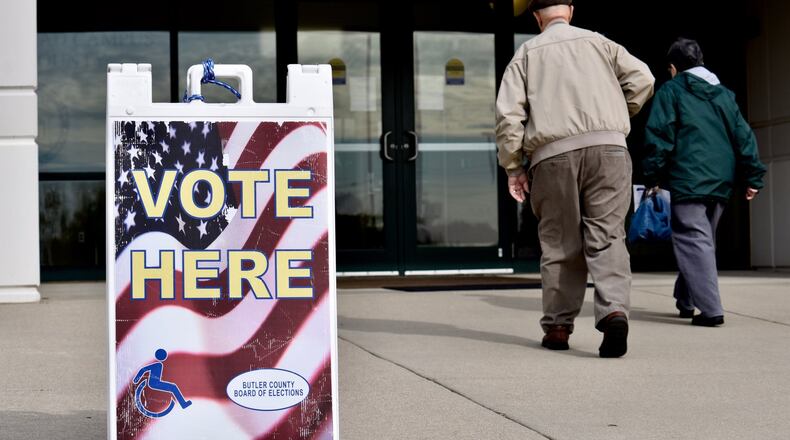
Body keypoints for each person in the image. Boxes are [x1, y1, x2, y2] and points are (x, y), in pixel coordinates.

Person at [495, 0, 654, 358]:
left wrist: (513, 166)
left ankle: (558, 326)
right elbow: (644, 79)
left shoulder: (526, 54)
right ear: (570, 10)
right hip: (610, 150)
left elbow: (508, 117)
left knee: (559, 242)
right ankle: (613, 312)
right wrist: (618, 113)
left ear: (537, 17)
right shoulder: (600, 42)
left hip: (552, 155)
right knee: (608, 235)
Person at [642, 38, 766, 327]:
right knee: (701, 240)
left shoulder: (671, 91)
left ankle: (711, 310)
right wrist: (753, 176)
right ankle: (686, 299)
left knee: (694, 240)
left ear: (673, 67)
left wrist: (652, 175)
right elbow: (744, 136)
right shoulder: (724, 95)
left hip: (688, 178)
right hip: (720, 180)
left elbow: (659, 136)